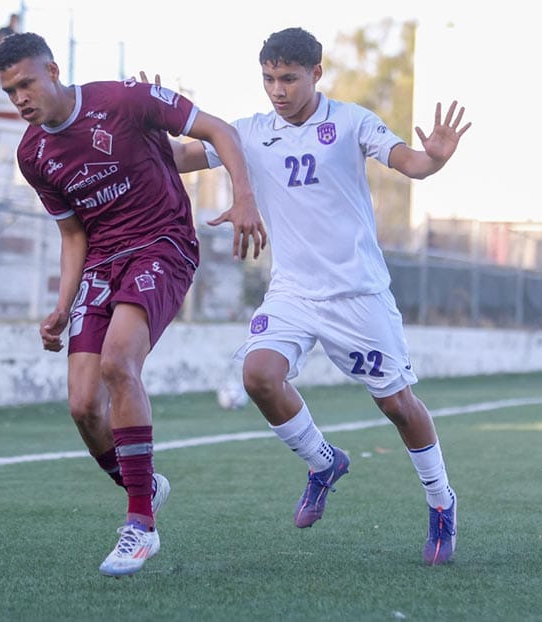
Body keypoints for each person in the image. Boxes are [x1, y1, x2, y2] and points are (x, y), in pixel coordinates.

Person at [162, 26, 471, 566]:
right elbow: (180, 157)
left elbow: (409, 162)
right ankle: (324, 463)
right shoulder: (249, 131)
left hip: (358, 295)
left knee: (397, 405)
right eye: (268, 79)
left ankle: (442, 502)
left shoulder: (351, 121)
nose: (276, 90)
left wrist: (435, 159)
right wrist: (149, 122)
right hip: (294, 293)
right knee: (258, 375)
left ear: (316, 74)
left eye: (288, 78)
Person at [0, 32, 266, 577]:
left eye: (25, 83)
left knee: (120, 362)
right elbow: (73, 236)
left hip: (162, 243)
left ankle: (140, 524)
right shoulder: (32, 154)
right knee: (82, 406)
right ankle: (145, 486)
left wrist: (244, 198)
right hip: (101, 260)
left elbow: (219, 130)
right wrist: (61, 304)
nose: (19, 98)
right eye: (9, 90)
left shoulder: (122, 100)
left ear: (52, 70)